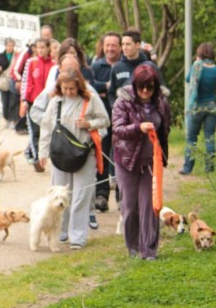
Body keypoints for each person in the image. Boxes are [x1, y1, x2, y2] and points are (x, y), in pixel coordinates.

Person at [37, 68, 110, 250]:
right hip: (61, 154)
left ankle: (78, 235)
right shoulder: (56, 102)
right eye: (65, 88)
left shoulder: (90, 99)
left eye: (72, 88)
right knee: (60, 194)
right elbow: (46, 128)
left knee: (80, 196)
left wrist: (89, 124)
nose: (69, 92)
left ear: (79, 86)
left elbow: (105, 121)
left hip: (85, 153)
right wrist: (42, 152)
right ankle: (60, 232)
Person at [112, 64, 171, 260]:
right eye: (141, 87)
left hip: (150, 161)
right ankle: (133, 246)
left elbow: (165, 129)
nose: (145, 91)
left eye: (150, 87)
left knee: (150, 206)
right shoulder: (123, 101)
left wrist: (161, 155)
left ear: (155, 87)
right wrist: (138, 127)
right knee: (130, 206)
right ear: (135, 85)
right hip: (127, 161)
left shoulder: (162, 103)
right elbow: (118, 129)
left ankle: (149, 250)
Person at [91, 32, 122, 212]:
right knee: (101, 156)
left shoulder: (123, 66)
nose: (110, 49)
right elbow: (91, 88)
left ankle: (121, 195)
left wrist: (103, 89)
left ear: (120, 47)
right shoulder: (96, 66)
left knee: (120, 157)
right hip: (101, 120)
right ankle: (101, 194)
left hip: (122, 120)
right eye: (107, 45)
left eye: (114, 45)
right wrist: (107, 87)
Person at [181, 42, 216, 175]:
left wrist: (196, 63)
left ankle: (188, 168)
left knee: (191, 137)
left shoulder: (197, 67)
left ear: (199, 54)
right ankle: (209, 168)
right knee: (209, 137)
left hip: (197, 106)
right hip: (212, 106)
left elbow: (188, 80)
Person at [20, 38, 57, 172]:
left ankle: (46, 155)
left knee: (48, 130)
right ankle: (37, 160)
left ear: (48, 48)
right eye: (38, 47)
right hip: (32, 101)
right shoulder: (31, 62)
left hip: (49, 102)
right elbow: (26, 81)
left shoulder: (54, 65)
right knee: (34, 131)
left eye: (43, 47)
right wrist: (24, 100)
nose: (40, 50)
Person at [0, 38, 20, 128]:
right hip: (3, 82)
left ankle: (12, 119)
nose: (11, 47)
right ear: (5, 46)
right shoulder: (0, 56)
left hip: (13, 81)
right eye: (9, 45)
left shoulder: (17, 56)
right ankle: (6, 118)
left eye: (12, 45)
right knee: (5, 102)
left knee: (13, 101)